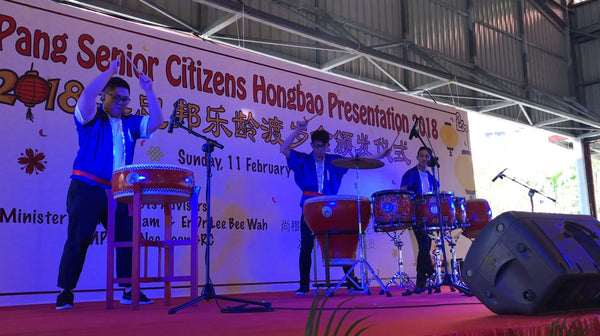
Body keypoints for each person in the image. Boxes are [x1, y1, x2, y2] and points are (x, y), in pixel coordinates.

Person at [56, 59, 164, 309]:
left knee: (128, 238)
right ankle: (65, 291)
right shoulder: (92, 118)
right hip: (87, 188)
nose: (121, 103)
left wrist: (149, 90)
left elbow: (157, 121)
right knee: (79, 239)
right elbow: (86, 95)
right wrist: (107, 73)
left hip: (119, 193)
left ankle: (128, 289)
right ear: (105, 96)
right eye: (117, 97)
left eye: (126, 100)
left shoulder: (130, 125)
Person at [280, 119, 390, 295]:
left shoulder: (334, 161)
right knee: (307, 246)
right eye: (317, 146)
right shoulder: (303, 160)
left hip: (331, 207)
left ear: (327, 146)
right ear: (312, 145)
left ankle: (352, 283)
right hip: (310, 207)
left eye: (323, 147)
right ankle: (303, 285)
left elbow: (358, 160)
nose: (320, 150)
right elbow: (284, 149)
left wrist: (380, 155)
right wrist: (298, 129)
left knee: (341, 242)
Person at [400, 146, 439, 290]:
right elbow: (402, 193)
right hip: (416, 214)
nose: (424, 158)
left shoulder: (432, 177)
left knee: (426, 246)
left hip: (429, 216)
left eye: (426, 156)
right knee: (424, 246)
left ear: (429, 159)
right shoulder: (410, 174)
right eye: (421, 155)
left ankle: (422, 279)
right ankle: (429, 273)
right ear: (417, 157)